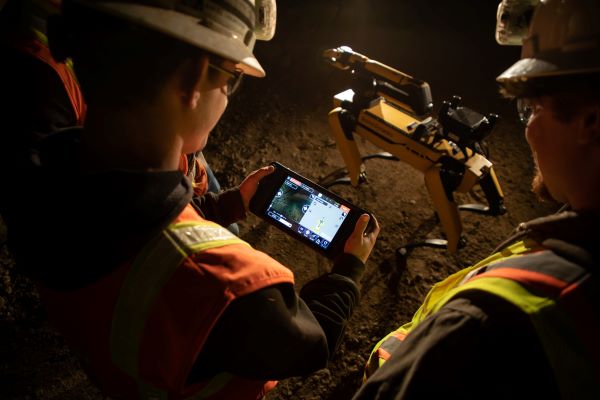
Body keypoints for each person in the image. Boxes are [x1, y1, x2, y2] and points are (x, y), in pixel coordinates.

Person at [9, 1, 380, 399]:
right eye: (233, 78)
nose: (228, 93)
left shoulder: (39, 183)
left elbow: (132, 223)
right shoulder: (231, 284)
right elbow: (311, 346)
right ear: (195, 79)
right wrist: (347, 271)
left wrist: (229, 204)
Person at [354, 0, 599, 398]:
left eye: (532, 108)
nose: (528, 131)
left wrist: (399, 356)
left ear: (592, 122)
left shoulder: (481, 326)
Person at [0, 0, 237, 237]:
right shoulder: (34, 70)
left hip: (176, 168)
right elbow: (112, 213)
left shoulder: (110, 22)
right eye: (229, 78)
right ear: (195, 77)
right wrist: (216, 209)